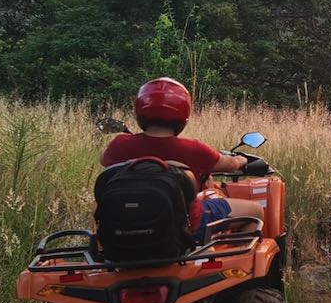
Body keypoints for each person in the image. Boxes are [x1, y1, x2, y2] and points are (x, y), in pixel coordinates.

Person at [101, 77, 265, 242]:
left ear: (139, 109)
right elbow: (230, 164)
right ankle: (235, 265)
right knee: (255, 211)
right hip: (186, 226)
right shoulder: (193, 149)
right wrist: (241, 159)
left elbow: (104, 160)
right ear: (184, 113)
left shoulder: (120, 144)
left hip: (122, 226)